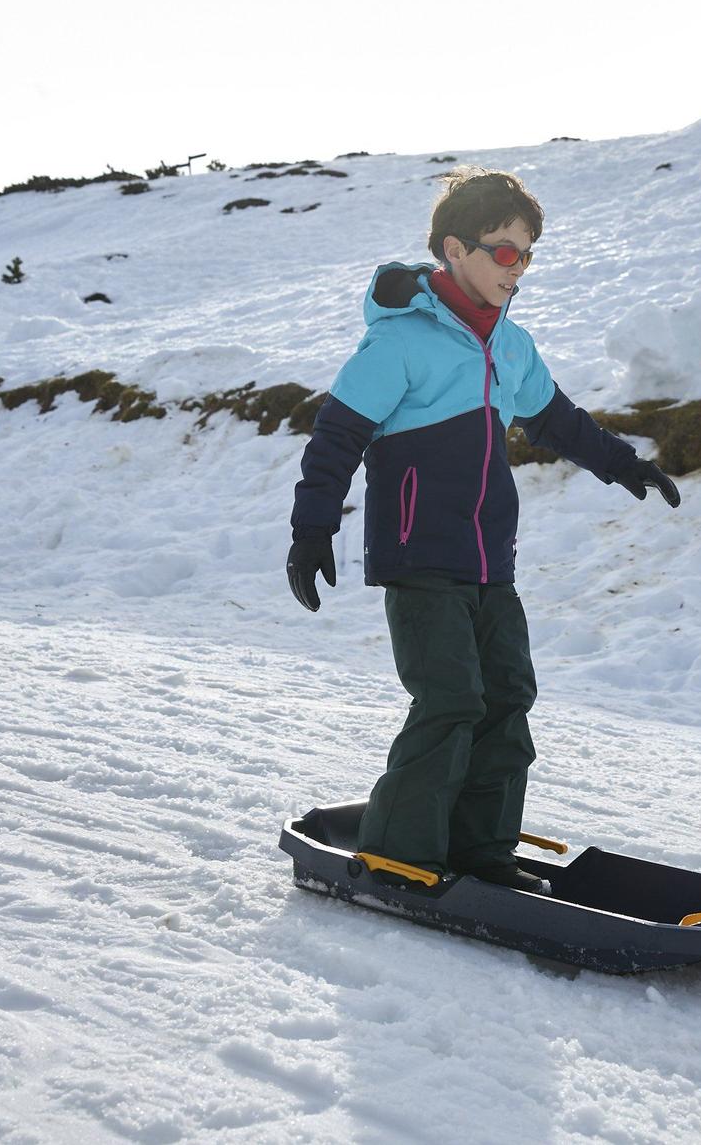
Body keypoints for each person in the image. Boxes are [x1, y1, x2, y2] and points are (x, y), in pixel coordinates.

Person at [286, 168, 680, 892]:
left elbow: (558, 419)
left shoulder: (512, 345)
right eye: (503, 251)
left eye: (526, 254)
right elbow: (337, 436)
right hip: (420, 556)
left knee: (505, 697)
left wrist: (625, 465)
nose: (516, 268)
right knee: (449, 699)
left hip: (490, 560)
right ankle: (401, 851)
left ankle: (480, 852)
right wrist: (313, 528)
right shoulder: (401, 343)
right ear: (453, 249)